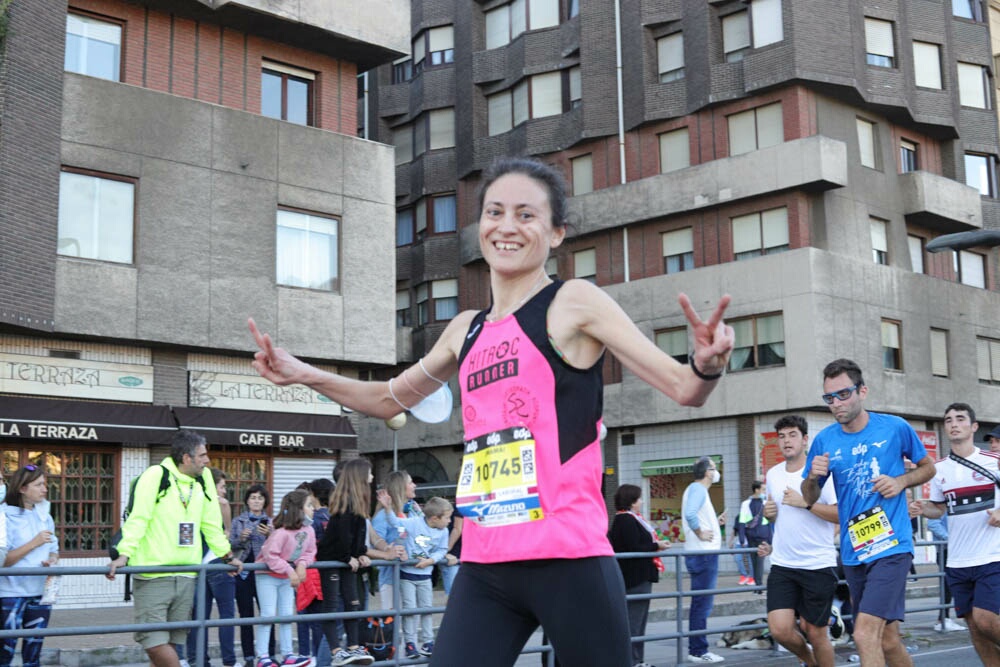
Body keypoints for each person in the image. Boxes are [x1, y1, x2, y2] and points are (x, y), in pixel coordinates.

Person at [249, 155, 734, 667]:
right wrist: (304, 373)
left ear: (556, 233)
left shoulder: (573, 302)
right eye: (495, 212)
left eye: (526, 215)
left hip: (568, 556)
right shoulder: (465, 329)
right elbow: (389, 399)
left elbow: (683, 388)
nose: (507, 226)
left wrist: (705, 366)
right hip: (487, 563)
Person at [802, 359, 933, 667]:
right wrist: (810, 479)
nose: (836, 403)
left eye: (843, 394)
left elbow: (927, 468)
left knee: (863, 634)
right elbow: (810, 497)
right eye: (829, 398)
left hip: (892, 546)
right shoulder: (825, 441)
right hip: (854, 551)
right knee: (887, 640)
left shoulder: (895, 428)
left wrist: (901, 481)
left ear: (862, 391)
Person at [106, 430, 243, 667]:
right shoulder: (155, 475)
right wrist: (123, 555)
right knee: (154, 641)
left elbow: (211, 523)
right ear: (186, 458)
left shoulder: (205, 479)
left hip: (187, 574)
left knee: (168, 644)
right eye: (202, 455)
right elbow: (138, 518)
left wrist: (227, 555)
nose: (207, 460)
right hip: (153, 575)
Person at [910, 403, 1000, 664]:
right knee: (975, 630)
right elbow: (939, 509)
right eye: (948, 420)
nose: (953, 424)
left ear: (973, 426)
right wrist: (922, 508)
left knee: (986, 620)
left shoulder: (993, 462)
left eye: (960, 419)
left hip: (991, 556)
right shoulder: (939, 469)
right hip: (957, 560)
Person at [756, 415, 839, 667]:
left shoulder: (820, 474)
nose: (786, 441)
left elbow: (839, 516)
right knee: (780, 630)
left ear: (805, 440)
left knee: (815, 632)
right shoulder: (772, 474)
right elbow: (777, 518)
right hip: (783, 564)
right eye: (781, 436)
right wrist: (769, 516)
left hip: (817, 564)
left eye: (792, 435)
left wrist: (807, 504)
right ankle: (810, 661)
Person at [375, 494, 452, 659]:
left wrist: (431, 560)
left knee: (427, 610)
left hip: (425, 576)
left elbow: (442, 550)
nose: (449, 521)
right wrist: (388, 508)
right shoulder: (415, 523)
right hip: (408, 575)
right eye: (447, 518)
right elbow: (395, 522)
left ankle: (428, 642)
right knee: (410, 610)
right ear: (434, 518)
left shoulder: (443, 531)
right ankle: (410, 643)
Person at [318, 458, 376, 667]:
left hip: (348, 561)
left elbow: (358, 534)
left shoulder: (360, 503)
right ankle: (336, 650)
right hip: (333, 559)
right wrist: (347, 557)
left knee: (354, 603)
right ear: (360, 476)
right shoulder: (345, 504)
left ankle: (353, 647)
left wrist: (360, 554)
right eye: (369, 473)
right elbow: (341, 535)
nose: (372, 477)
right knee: (332, 605)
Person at [0, 465, 58, 667]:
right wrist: (34, 542)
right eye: (39, 484)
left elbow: (54, 549)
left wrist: (51, 560)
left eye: (45, 484)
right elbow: (3, 561)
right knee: (5, 652)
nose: (45, 489)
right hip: (10, 594)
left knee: (34, 653)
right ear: (22, 488)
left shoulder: (45, 516)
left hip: (40, 594)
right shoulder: (4, 516)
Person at [253, 489, 316, 667]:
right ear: (299, 509)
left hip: (287, 576)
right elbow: (270, 554)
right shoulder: (281, 532)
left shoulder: (309, 530)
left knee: (287, 614)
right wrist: (290, 570)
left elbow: (311, 551)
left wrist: (302, 564)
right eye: (309, 505)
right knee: (268, 614)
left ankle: (288, 653)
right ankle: (262, 655)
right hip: (268, 576)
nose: (313, 509)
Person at [608, 484, 668, 667]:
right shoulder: (626, 520)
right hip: (636, 577)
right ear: (632, 501)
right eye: (640, 499)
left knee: (636, 621)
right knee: (635, 622)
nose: (642, 502)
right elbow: (634, 547)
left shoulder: (625, 519)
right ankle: (633, 661)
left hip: (635, 575)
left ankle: (636, 660)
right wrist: (656, 546)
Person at [186, 468, 237, 667]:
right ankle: (229, 661)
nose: (224, 491)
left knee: (199, 616)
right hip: (217, 561)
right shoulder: (219, 503)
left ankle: (197, 660)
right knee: (226, 614)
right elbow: (227, 534)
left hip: (198, 563)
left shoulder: (191, 502)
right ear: (212, 485)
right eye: (222, 486)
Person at [681, 456, 726, 664]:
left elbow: (693, 514)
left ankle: (697, 648)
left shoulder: (695, 490)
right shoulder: (698, 489)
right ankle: (698, 650)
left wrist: (715, 523)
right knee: (702, 604)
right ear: (707, 472)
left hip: (700, 553)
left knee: (700, 603)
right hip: (704, 554)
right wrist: (700, 532)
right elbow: (691, 514)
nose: (716, 472)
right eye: (714, 468)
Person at [231, 484, 274, 667]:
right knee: (246, 615)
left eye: (260, 498)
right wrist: (241, 538)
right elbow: (230, 545)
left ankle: (268, 655)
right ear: (247, 501)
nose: (256, 501)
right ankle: (249, 657)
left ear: (265, 501)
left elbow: (278, 547)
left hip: (264, 572)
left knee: (268, 615)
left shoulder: (271, 522)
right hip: (243, 574)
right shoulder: (237, 521)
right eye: (253, 497)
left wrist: (270, 535)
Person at [370, 470, 419, 610]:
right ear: (400, 487)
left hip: (413, 576)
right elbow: (375, 542)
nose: (414, 485)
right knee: (393, 624)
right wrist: (389, 550)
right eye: (410, 482)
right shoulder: (382, 516)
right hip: (392, 579)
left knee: (412, 621)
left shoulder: (413, 512)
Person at [923, 513, 963, 632]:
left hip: (952, 549)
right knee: (947, 585)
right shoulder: (941, 505)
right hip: (946, 550)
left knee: (951, 585)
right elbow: (933, 524)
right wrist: (950, 539)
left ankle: (944, 618)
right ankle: (943, 619)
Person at [735, 481, 770, 590]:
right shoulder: (746, 504)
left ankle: (758, 585)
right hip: (752, 536)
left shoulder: (766, 503)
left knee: (759, 560)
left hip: (762, 537)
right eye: (763, 489)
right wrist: (741, 538)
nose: (765, 492)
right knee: (754, 560)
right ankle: (757, 585)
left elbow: (769, 521)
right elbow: (742, 521)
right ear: (757, 490)